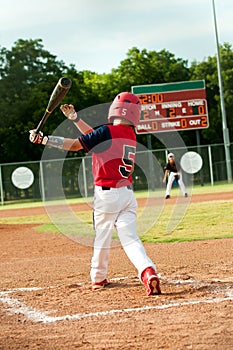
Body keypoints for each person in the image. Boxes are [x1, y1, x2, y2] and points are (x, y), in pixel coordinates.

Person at [29, 92, 161, 296]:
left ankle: (98, 278)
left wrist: (45, 139)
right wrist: (75, 119)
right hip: (127, 196)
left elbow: (76, 144)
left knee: (102, 237)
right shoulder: (129, 134)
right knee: (131, 239)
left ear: (114, 109)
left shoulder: (107, 132)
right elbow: (94, 137)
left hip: (106, 196)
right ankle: (147, 270)